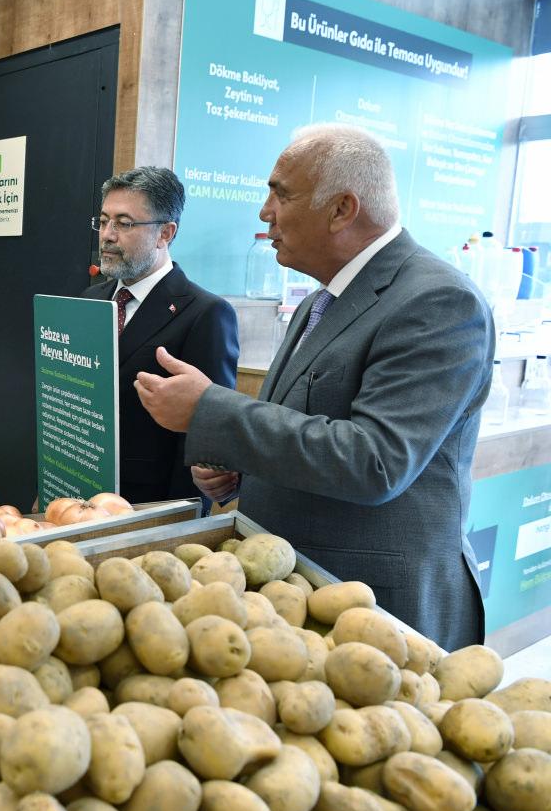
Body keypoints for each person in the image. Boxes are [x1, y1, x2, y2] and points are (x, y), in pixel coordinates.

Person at [134, 124, 494, 650]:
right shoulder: (317, 301)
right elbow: (314, 425)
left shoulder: (438, 301)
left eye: (281, 193)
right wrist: (241, 467)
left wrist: (211, 411)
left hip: (377, 608)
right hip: (303, 587)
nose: (264, 211)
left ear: (342, 210)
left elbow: (376, 461)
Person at [79, 166, 238, 504]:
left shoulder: (205, 313)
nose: (107, 235)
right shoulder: (89, 301)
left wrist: (181, 523)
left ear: (165, 233)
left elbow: (205, 432)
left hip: (148, 510)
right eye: (103, 220)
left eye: (124, 223)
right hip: (78, 497)